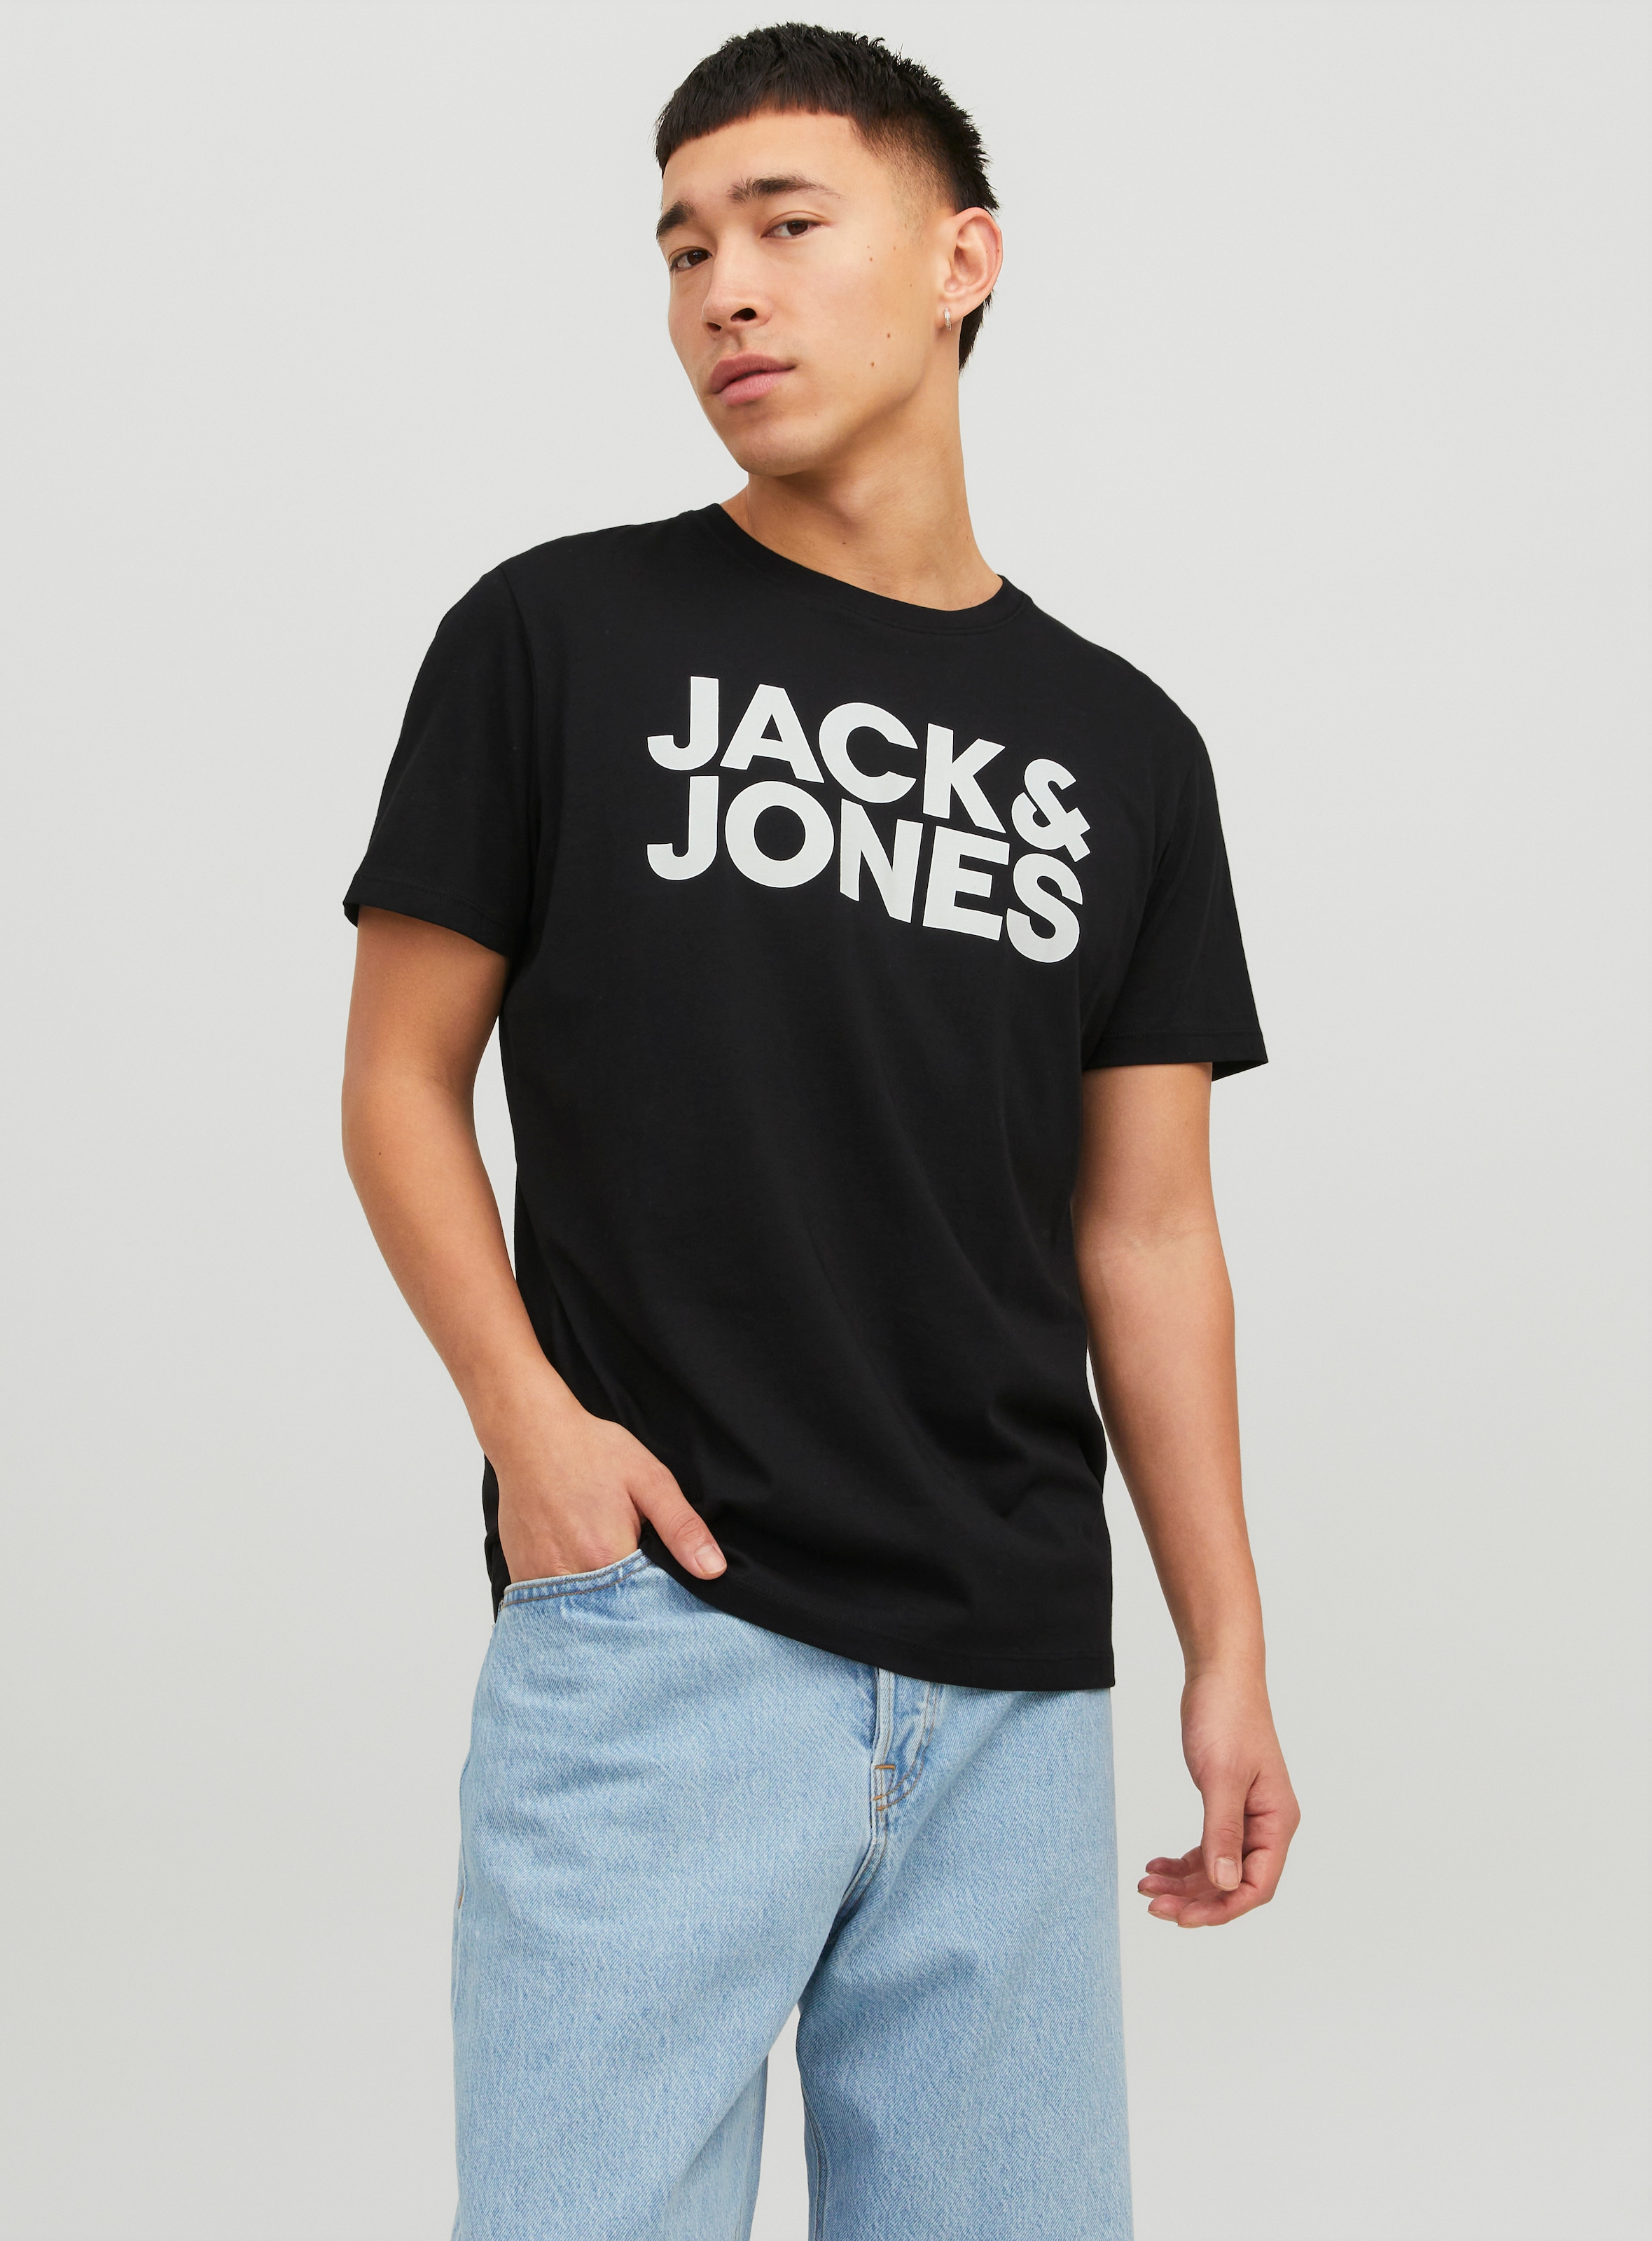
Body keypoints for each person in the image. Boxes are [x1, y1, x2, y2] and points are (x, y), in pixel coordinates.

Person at [340, 23, 1299, 2240]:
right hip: (660, 1630)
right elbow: (398, 1078)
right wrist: (532, 1432)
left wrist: (1225, 1640)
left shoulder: (1125, 748)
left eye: (784, 225)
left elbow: (1149, 1234)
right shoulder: (558, 635)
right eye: (684, 248)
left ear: (963, 259)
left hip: (1014, 1679)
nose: (726, 293)